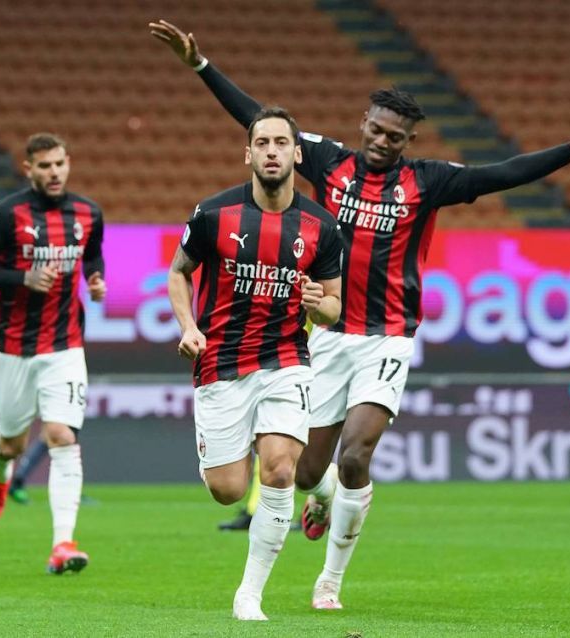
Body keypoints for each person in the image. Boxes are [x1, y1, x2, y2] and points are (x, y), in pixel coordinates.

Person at [150, 19, 570, 610]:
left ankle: (328, 580)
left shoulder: (426, 181)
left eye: (396, 137)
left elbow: (499, 174)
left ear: (408, 140)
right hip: (325, 335)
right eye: (378, 130)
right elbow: (259, 122)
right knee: (305, 473)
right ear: (364, 125)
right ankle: (323, 495)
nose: (384, 141)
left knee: (356, 451)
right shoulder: (327, 162)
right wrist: (201, 66)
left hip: (387, 337)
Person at [168, 106, 344, 621]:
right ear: (248, 154)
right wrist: (188, 327)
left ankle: (249, 595)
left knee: (280, 468)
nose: (271, 151)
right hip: (220, 362)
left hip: (286, 358)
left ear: (296, 153)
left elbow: (333, 308)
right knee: (227, 490)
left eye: (280, 143)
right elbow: (179, 273)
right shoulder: (212, 215)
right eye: (262, 143)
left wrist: (319, 304)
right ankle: (326, 483)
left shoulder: (320, 225)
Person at [0, 132, 106, 575]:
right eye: (44, 166)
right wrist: (22, 280)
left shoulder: (88, 213)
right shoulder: (7, 214)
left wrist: (96, 280)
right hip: (13, 347)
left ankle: (63, 543)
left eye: (60, 163)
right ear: (29, 169)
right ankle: (0, 474)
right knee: (12, 443)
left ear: (68, 163)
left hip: (65, 343)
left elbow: (93, 256)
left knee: (62, 436)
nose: (54, 172)